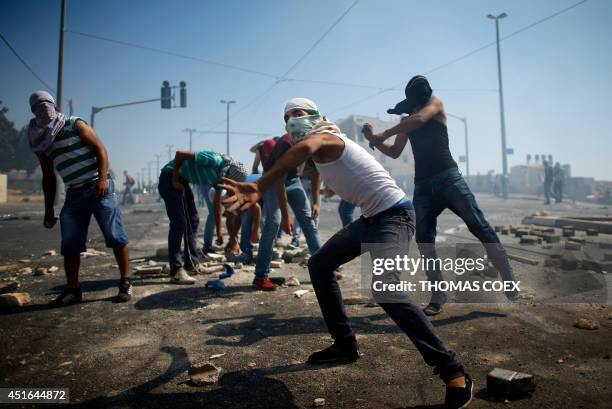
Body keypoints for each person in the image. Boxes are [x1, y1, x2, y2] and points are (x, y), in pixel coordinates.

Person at [220, 98, 473, 409]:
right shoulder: (319, 150)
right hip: (370, 218)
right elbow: (303, 166)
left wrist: (260, 186)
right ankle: (344, 345)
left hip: (395, 215)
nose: (291, 121)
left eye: (297, 114)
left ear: (315, 116)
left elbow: (302, 150)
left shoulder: (327, 136)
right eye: (286, 117)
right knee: (319, 264)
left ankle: (453, 371)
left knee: (386, 289)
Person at [362, 75, 519, 316]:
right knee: (424, 241)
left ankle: (507, 277)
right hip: (423, 186)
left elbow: (418, 119)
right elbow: (394, 152)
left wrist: (382, 134)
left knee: (479, 226)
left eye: (417, 102)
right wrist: (374, 140)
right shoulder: (406, 120)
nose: (415, 107)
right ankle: (438, 295)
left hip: (449, 178)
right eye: (413, 104)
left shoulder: (434, 104)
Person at [27, 91, 132, 307]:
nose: (43, 110)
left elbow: (100, 149)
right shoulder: (40, 139)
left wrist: (102, 179)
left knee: (115, 235)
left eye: (46, 105)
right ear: (33, 112)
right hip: (74, 191)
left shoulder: (74, 124)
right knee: (70, 242)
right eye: (38, 107)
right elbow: (49, 176)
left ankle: (125, 282)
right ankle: (73, 289)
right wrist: (49, 210)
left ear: (53, 106)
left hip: (98, 186)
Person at [251, 112, 322, 291]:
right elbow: (279, 180)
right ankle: (260, 276)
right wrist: (285, 216)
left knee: (309, 222)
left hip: (294, 180)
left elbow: (316, 171)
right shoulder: (285, 142)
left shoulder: (316, 138)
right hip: (273, 180)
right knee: (272, 224)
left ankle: (324, 269)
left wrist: (316, 201)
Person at [158, 149, 247, 284]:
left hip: (182, 180)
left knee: (193, 220)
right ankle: (176, 270)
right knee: (179, 223)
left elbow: (216, 204)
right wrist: (175, 179)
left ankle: (192, 264)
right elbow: (180, 154)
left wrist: (218, 231)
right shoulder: (214, 160)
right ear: (228, 172)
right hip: (170, 177)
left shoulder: (220, 179)